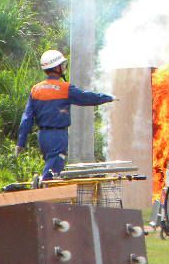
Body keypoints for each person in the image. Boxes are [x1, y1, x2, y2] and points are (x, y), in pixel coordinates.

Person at [16, 50, 112, 180]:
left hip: (43, 136)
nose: (64, 67)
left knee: (52, 164)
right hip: (57, 135)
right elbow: (86, 97)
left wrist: (21, 142)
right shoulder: (64, 88)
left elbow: (26, 118)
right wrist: (107, 97)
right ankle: (42, 188)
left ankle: (43, 184)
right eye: (63, 65)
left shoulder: (36, 89)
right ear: (57, 68)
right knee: (53, 170)